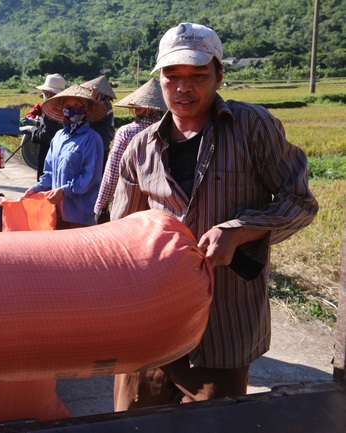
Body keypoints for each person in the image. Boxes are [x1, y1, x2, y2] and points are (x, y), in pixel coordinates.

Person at [111, 23, 318, 410]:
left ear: (219, 75)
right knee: (135, 420)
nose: (183, 88)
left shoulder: (253, 128)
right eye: (172, 76)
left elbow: (299, 201)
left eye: (198, 76)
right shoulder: (140, 148)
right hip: (151, 329)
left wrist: (239, 231)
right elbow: (121, 235)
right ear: (160, 79)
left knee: (216, 422)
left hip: (223, 330)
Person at [21, 84, 106, 229]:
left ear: (86, 109)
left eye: (77, 105)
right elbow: (49, 173)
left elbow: (90, 177)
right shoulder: (58, 137)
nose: (72, 109)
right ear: (62, 109)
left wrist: (65, 190)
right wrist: (36, 188)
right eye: (68, 105)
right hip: (57, 211)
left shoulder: (92, 139)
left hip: (80, 214)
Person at [94, 78, 166, 224]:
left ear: (144, 109)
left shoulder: (127, 132)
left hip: (129, 204)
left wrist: (101, 206)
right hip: (160, 209)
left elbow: (112, 172)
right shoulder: (170, 130)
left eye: (137, 107)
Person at [19, 73, 66, 180]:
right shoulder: (66, 108)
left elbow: (45, 137)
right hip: (62, 158)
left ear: (49, 94)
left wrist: (32, 129)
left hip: (49, 158)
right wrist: (38, 123)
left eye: (45, 93)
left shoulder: (51, 111)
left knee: (46, 188)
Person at [81, 75, 116, 165]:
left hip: (100, 144)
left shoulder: (104, 105)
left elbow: (88, 116)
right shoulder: (102, 103)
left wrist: (92, 98)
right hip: (98, 143)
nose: (90, 93)